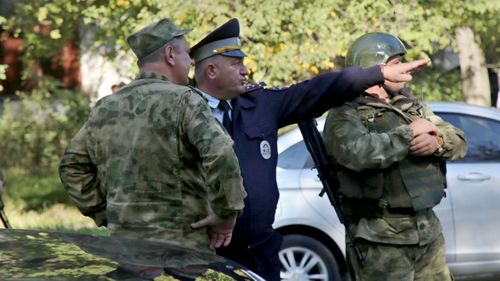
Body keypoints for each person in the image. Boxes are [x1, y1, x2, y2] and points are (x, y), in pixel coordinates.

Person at [190, 19, 429, 280]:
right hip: (205, 252)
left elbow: (316, 90)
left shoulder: (259, 105)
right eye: (237, 65)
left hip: (259, 252)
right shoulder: (180, 111)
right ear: (211, 70)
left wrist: (377, 73)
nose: (245, 71)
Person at [59, 18, 247, 251]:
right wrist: (227, 212)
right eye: (188, 54)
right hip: (182, 248)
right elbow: (220, 151)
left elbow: (71, 166)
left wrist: (107, 212)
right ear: (170, 55)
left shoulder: (105, 107)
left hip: (124, 246)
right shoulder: (186, 100)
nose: (191, 62)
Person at [323, 32, 467, 281]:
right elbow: (358, 152)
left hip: (428, 231)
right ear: (373, 68)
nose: (405, 72)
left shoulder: (411, 106)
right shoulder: (345, 114)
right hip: (380, 239)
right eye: (396, 64)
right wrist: (408, 135)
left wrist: (437, 141)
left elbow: (460, 141)